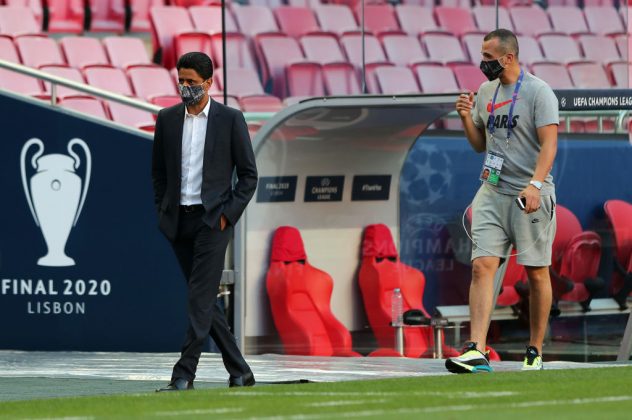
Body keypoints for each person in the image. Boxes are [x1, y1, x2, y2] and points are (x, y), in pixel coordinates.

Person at [446, 29, 558, 373]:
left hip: (529, 193)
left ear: (508, 58)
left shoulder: (539, 92)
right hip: (492, 191)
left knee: (536, 273)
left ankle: (535, 350)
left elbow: (549, 144)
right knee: (482, 266)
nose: (483, 64)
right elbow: (480, 144)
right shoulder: (485, 92)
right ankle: (476, 349)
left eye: (489, 58)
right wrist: (466, 117)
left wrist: (536, 185)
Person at [152, 52, 258, 390]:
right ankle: (240, 371)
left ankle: (184, 373)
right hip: (178, 223)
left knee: (198, 297)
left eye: (191, 82)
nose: (185, 87)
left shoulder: (230, 119)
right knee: (204, 300)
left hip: (213, 222)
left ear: (209, 83)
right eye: (181, 81)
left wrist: (227, 215)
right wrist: (162, 210)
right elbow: (158, 174)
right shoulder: (166, 119)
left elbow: (248, 176)